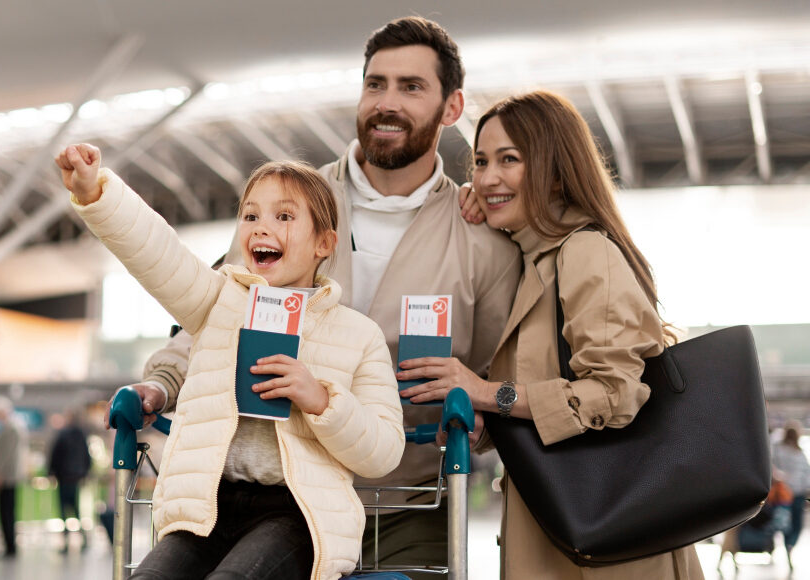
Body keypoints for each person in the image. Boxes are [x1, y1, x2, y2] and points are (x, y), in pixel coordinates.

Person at [120, 16, 522, 575]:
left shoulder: (483, 242)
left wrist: (483, 417)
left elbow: (504, 373)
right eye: (375, 84)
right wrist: (162, 384)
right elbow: (217, 314)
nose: (387, 102)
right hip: (277, 490)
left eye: (412, 87)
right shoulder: (290, 207)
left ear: (452, 108)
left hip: (409, 504)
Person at [57, 144, 406, 580]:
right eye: (251, 215)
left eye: (284, 216)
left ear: (324, 243)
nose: (262, 227)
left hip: (298, 516)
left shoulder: (358, 335)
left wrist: (321, 400)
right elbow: (157, 252)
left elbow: (385, 451)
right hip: (208, 508)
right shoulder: (217, 301)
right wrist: (98, 193)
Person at [401, 90, 704, 578]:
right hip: (564, 528)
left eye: (510, 159)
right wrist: (485, 422)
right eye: (480, 161)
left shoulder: (584, 253)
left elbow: (612, 394)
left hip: (611, 548)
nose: (487, 177)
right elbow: (538, 395)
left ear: (556, 171)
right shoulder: (530, 263)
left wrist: (483, 391)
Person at [48, 406, 93, 553]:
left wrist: (51, 472)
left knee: (63, 510)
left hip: (64, 477)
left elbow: (55, 455)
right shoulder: (81, 434)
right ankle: (83, 539)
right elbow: (87, 456)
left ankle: (66, 542)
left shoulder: (62, 434)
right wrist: (85, 472)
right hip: (76, 477)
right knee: (76, 509)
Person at [0, 396, 28, 558]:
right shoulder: (11, 427)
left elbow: (6, 455)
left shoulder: (11, 428)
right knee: (6, 513)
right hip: (7, 477)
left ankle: (10, 547)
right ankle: (8, 545)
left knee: (7, 513)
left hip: (7, 478)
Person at [773, 421, 810, 568]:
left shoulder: (780, 450)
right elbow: (807, 474)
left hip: (785, 494)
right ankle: (790, 545)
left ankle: (788, 544)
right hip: (795, 493)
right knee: (796, 524)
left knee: (785, 522)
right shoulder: (798, 453)